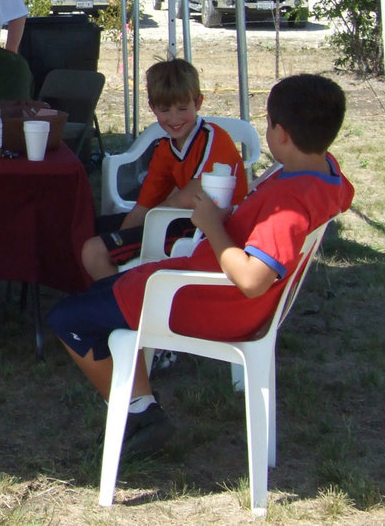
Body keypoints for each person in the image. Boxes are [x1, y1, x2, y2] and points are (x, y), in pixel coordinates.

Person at [47, 73, 354, 455]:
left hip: (207, 301)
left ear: (281, 135)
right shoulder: (326, 175)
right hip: (201, 287)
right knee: (101, 293)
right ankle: (141, 408)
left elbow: (253, 279)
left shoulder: (288, 203)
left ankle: (139, 412)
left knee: (69, 318)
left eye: (269, 124)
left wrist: (211, 225)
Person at [80, 58, 248, 281]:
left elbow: (196, 194)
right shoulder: (165, 148)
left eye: (182, 108)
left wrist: (156, 214)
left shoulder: (213, 138)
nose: (174, 118)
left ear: (198, 103)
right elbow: (143, 207)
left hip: (215, 230)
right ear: (152, 108)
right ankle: (109, 294)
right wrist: (123, 237)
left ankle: (120, 305)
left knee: (94, 251)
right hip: (186, 221)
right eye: (165, 109)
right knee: (86, 229)